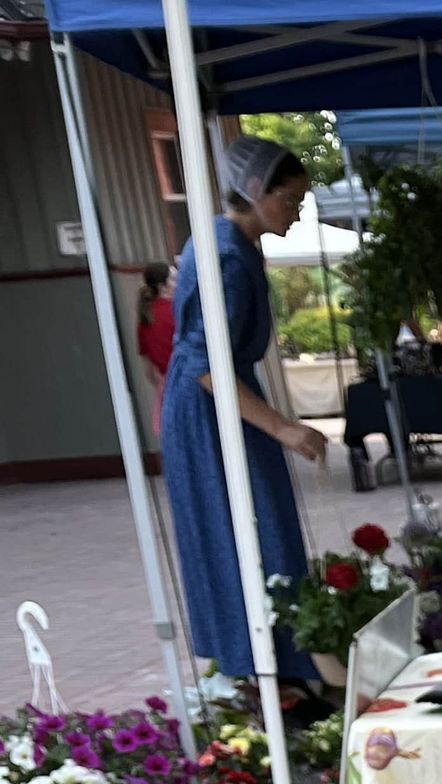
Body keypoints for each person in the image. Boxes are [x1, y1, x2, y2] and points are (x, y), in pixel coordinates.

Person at [161, 137, 327, 682]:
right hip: (211, 407)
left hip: (218, 397)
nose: (297, 213)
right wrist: (283, 427)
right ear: (257, 192)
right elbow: (206, 364)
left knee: (252, 527)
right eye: (292, 200)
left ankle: (272, 669)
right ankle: (266, 673)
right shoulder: (228, 255)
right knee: (249, 531)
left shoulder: (224, 238)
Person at [135, 261, 174, 434]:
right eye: (174, 280)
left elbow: (148, 371)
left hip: (164, 384)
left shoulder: (145, 320)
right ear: (163, 286)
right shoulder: (176, 312)